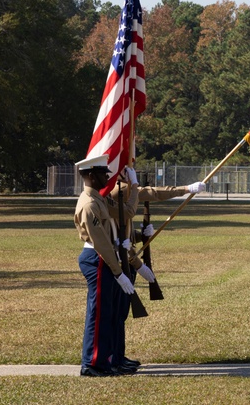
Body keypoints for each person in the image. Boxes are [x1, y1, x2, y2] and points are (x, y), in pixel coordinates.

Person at [108, 167, 205, 374]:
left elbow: (123, 230)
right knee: (116, 313)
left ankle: (118, 356)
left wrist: (140, 235)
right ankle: (112, 358)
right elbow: (152, 193)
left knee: (121, 313)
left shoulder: (122, 189)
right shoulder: (119, 190)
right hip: (120, 260)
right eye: (125, 168)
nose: (129, 171)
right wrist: (186, 189)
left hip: (125, 255)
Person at [73, 155, 136, 377]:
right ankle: (92, 363)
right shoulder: (89, 204)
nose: (106, 178)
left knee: (107, 313)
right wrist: (119, 272)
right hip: (98, 258)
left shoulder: (98, 199)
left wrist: (134, 185)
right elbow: (100, 242)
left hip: (104, 257)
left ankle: (107, 360)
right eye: (102, 174)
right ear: (91, 175)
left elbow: (125, 213)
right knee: (98, 314)